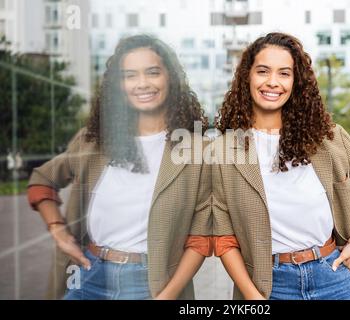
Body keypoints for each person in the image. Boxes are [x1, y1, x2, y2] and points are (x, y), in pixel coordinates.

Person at [211, 32, 350, 300]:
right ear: (247, 77)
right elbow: (223, 237)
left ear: (296, 81)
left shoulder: (327, 139)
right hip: (269, 285)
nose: (273, 82)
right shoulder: (223, 152)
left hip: (334, 276)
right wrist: (254, 297)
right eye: (263, 71)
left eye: (284, 73)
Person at [27, 34, 212, 300]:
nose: (142, 84)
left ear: (170, 78)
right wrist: (58, 230)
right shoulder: (93, 142)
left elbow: (201, 239)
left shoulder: (199, 152)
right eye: (130, 75)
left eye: (152, 72)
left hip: (150, 282)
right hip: (88, 274)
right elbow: (41, 180)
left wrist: (167, 295)